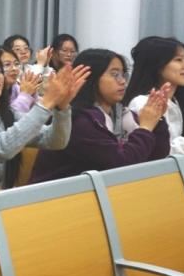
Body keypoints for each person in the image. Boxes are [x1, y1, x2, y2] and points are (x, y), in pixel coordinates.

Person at [0, 48, 83, 189]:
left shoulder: (9, 114)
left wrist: (62, 108)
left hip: (2, 197)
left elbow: (55, 141)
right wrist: (46, 102)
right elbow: (2, 146)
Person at [30, 49, 171, 183]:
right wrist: (145, 128)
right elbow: (123, 165)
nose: (123, 81)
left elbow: (157, 155)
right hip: (56, 196)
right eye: (114, 74)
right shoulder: (79, 121)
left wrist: (156, 119)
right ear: (91, 78)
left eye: (123, 74)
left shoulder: (121, 113)